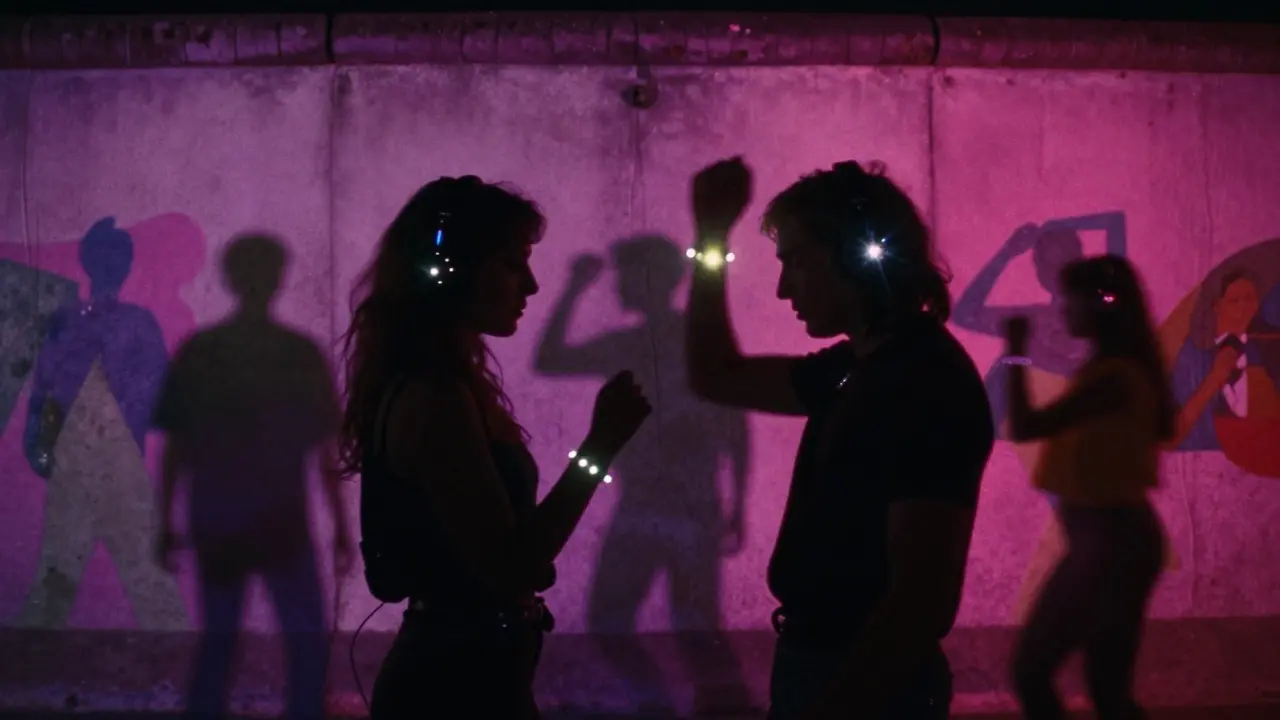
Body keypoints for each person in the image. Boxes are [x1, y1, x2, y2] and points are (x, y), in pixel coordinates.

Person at [684, 157, 995, 719]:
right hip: (825, 664)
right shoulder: (859, 367)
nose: (783, 289)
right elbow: (715, 375)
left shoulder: (922, 381)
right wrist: (709, 241)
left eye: (797, 262)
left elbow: (919, 601)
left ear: (853, 255)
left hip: (863, 682)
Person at [336, 175, 652, 719]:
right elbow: (512, 566)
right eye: (511, 264)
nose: (530, 285)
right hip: (454, 685)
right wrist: (599, 447)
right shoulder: (435, 397)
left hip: (471, 671)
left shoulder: (441, 384)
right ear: (452, 272)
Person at [1004, 255, 1174, 720]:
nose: (1064, 311)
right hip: (1117, 541)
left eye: (1071, 301)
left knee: (1032, 670)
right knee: (1107, 691)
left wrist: (1015, 349)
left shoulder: (1114, 380)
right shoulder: (1117, 374)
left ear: (1099, 306)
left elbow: (1024, 425)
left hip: (1110, 544)